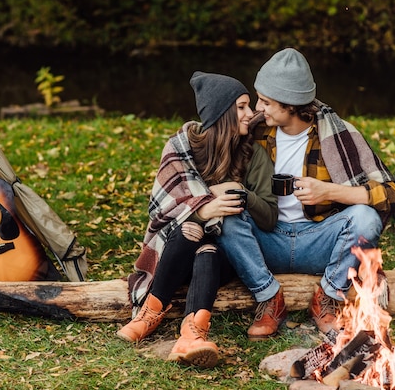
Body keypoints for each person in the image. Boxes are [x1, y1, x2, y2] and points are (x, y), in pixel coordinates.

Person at [216, 48, 395, 340]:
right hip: (267, 239)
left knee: (365, 218)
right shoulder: (253, 132)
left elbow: (391, 194)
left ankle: (328, 296)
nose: (257, 108)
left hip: (320, 241)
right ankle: (268, 297)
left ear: (290, 104)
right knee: (227, 216)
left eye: (265, 101)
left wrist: (330, 191)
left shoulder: (338, 135)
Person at [116, 71, 277, 368]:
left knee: (209, 249)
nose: (251, 113)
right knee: (189, 227)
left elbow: (268, 217)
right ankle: (151, 312)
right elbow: (163, 209)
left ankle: (192, 334)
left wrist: (241, 195)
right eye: (241, 107)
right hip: (177, 251)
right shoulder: (181, 147)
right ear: (222, 112)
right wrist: (204, 207)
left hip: (225, 256)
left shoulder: (251, 154)